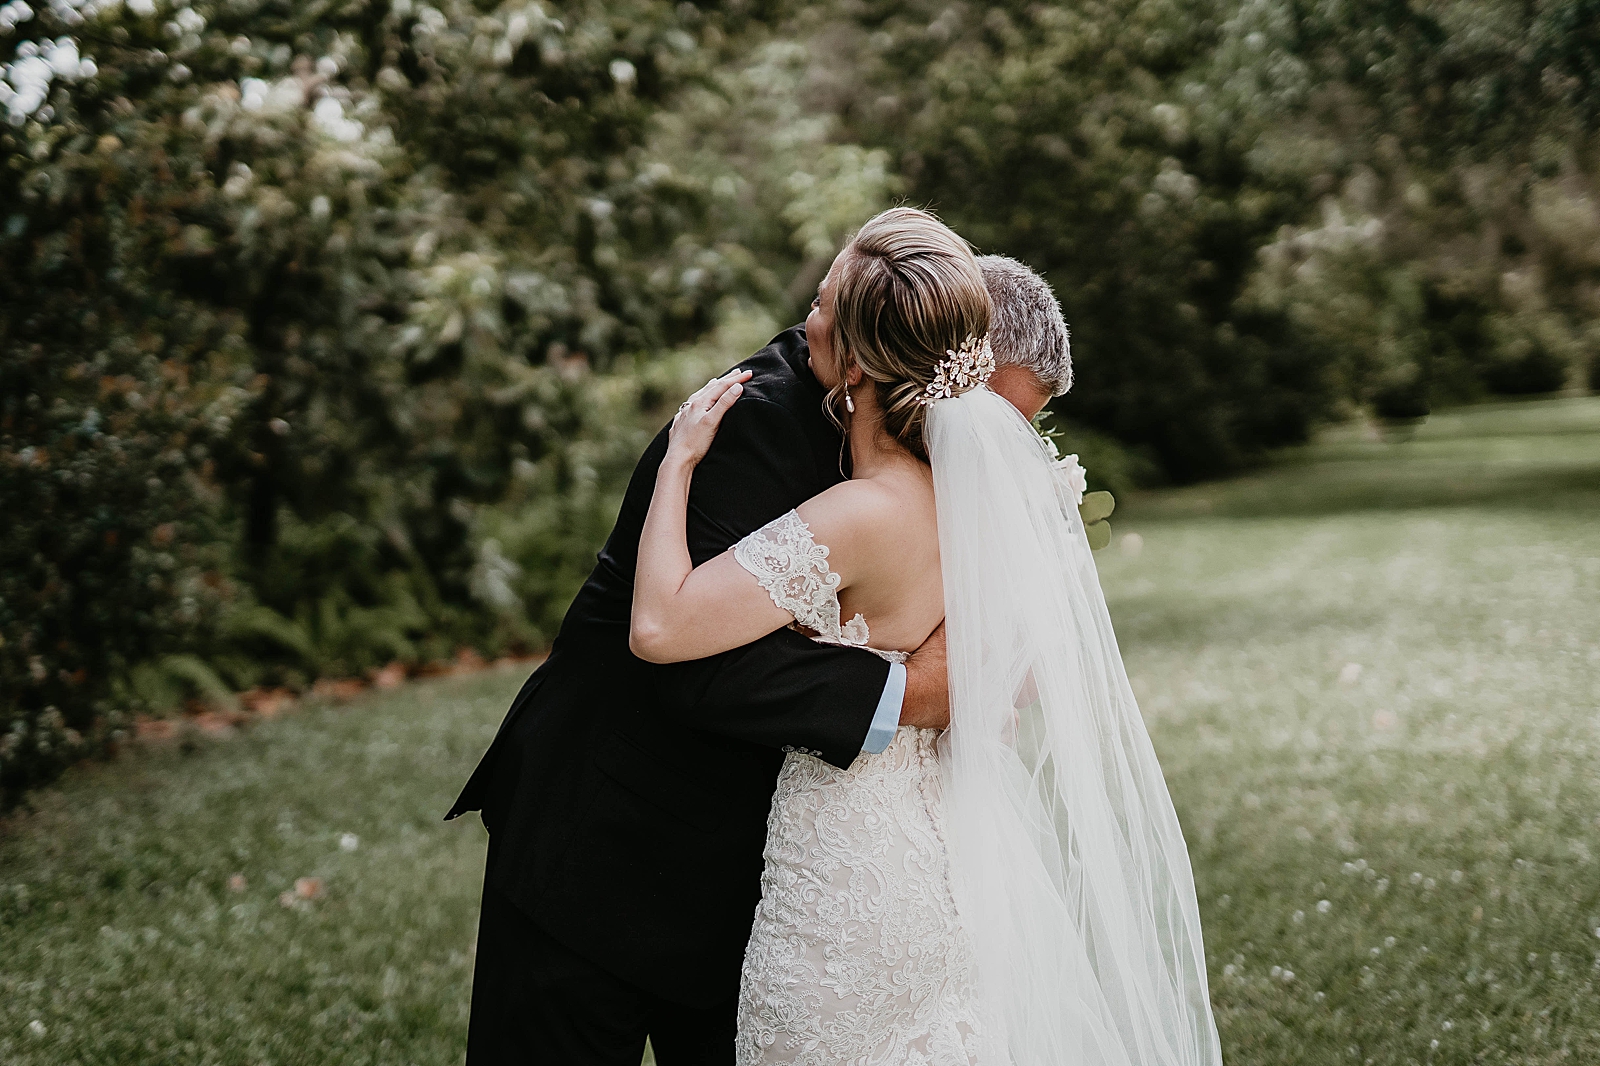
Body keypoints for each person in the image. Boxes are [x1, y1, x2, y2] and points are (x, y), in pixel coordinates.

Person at [632, 207, 1223, 1065]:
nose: (809, 326)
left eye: (829, 309)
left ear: (862, 363)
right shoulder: (973, 512)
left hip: (846, 871)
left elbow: (656, 627)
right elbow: (1002, 674)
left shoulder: (861, 513)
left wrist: (678, 461)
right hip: (940, 857)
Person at [444, 297, 954, 1060]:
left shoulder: (917, 453)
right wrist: (899, 695)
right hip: (605, 840)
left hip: (768, 881)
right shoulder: (755, 421)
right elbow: (689, 654)